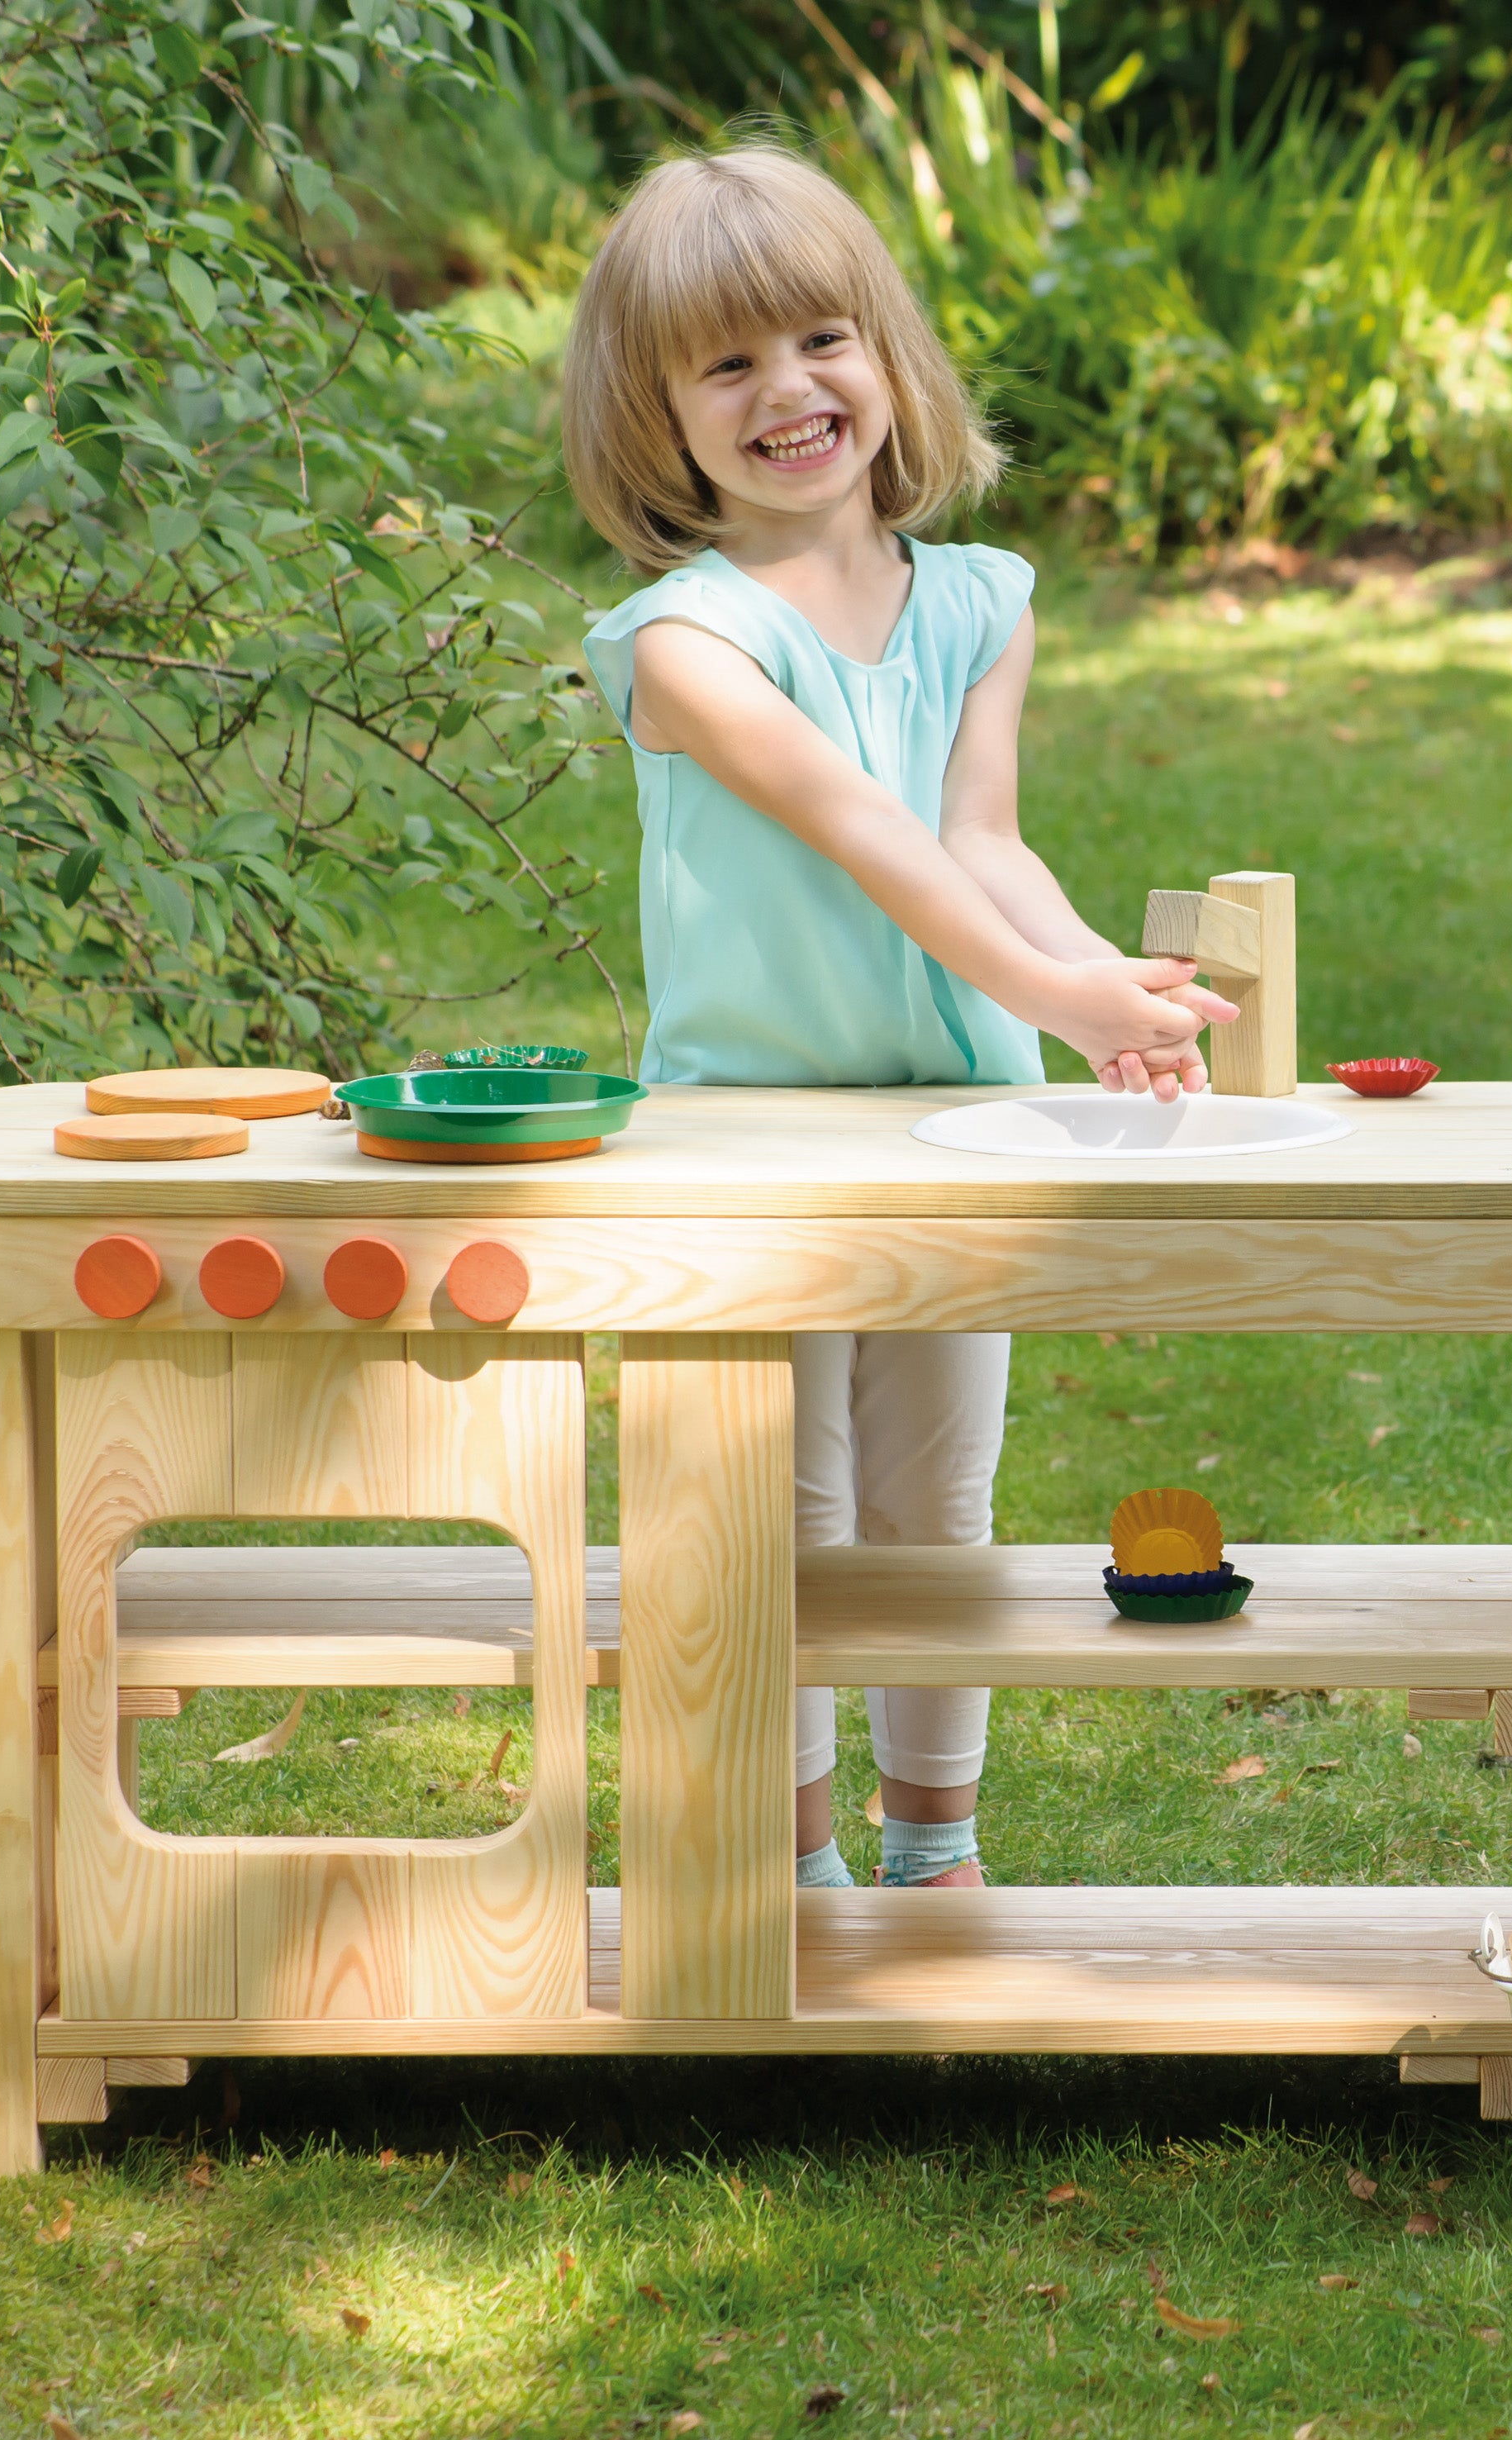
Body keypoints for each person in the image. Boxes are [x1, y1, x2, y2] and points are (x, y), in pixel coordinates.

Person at [563, 145, 1234, 1890]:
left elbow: (974, 839)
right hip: (746, 1144)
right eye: (726, 365)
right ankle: (787, 1869)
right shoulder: (683, 642)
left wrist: (1102, 989)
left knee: (935, 1505)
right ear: (655, 415)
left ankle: (932, 1845)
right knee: (777, 1510)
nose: (788, 391)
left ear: (887, 354)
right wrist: (1062, 993)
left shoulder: (976, 603)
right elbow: (860, 835)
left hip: (959, 1122)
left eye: (819, 337)